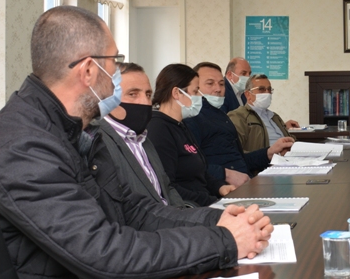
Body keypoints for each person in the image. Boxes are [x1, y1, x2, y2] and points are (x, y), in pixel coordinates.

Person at [0, 6, 272, 279]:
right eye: (114, 61)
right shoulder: (23, 146)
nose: (116, 74)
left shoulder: (78, 130)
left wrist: (218, 221)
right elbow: (102, 252)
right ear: (88, 70)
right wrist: (224, 242)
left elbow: (135, 211)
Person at [187, 61, 294, 188]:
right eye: (210, 83)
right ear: (194, 88)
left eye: (221, 84)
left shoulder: (223, 117)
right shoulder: (191, 118)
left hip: (247, 181)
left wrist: (269, 153)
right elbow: (189, 167)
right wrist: (225, 175)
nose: (218, 89)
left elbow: (240, 160)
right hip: (222, 188)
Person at [146, 63, 236, 206]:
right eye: (195, 92)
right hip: (190, 208)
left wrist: (220, 187)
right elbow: (168, 187)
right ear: (177, 93)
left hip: (204, 201)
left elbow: (200, 173)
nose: (199, 97)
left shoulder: (181, 125)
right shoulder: (159, 129)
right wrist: (213, 202)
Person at [100, 62, 188, 208]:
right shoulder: (99, 142)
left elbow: (167, 188)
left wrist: (184, 214)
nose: (145, 102)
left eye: (148, 94)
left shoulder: (143, 139)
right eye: (133, 94)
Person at [229, 74, 297, 152]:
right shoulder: (238, 116)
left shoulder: (274, 117)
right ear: (248, 94)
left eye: (269, 89)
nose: (267, 93)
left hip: (288, 156)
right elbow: (234, 150)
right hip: (266, 158)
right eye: (261, 89)